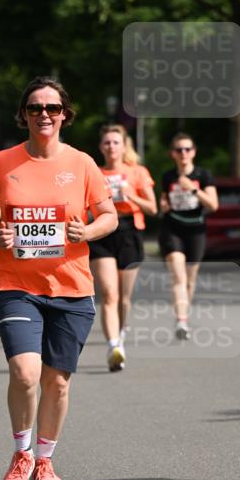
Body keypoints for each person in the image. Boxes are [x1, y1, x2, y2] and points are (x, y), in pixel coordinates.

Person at [0, 76, 117, 480]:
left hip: (71, 288)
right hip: (15, 283)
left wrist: (87, 232)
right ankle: (21, 454)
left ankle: (45, 461)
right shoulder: (1, 163)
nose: (44, 115)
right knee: (25, 371)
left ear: (65, 115)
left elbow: (109, 216)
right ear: (23, 116)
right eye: (35, 108)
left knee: (57, 382)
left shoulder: (82, 164)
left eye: (52, 108)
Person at [89, 125, 157, 370]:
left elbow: (153, 208)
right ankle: (114, 345)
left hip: (129, 232)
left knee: (123, 298)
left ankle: (120, 331)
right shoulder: (94, 172)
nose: (111, 147)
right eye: (107, 142)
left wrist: (131, 195)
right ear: (101, 147)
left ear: (124, 146)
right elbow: (83, 205)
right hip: (102, 232)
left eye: (116, 142)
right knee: (109, 293)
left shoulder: (137, 172)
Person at [159, 133, 218, 339]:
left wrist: (193, 189)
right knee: (178, 276)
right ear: (172, 154)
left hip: (195, 230)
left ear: (193, 152)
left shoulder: (203, 176)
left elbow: (213, 205)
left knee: (190, 281)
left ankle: (182, 316)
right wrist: (163, 205)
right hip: (172, 229)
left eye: (187, 149)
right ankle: (182, 322)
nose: (183, 153)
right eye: (178, 150)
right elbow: (164, 202)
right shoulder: (167, 177)